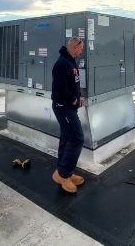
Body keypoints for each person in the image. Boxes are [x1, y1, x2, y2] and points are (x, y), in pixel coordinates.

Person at [51, 37, 85, 194]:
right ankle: (63, 174)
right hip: (63, 108)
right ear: (74, 47)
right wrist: (74, 100)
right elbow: (60, 92)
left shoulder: (71, 61)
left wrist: (78, 98)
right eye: (81, 48)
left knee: (66, 136)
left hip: (69, 107)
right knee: (77, 138)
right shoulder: (61, 64)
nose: (82, 50)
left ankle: (63, 172)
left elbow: (72, 85)